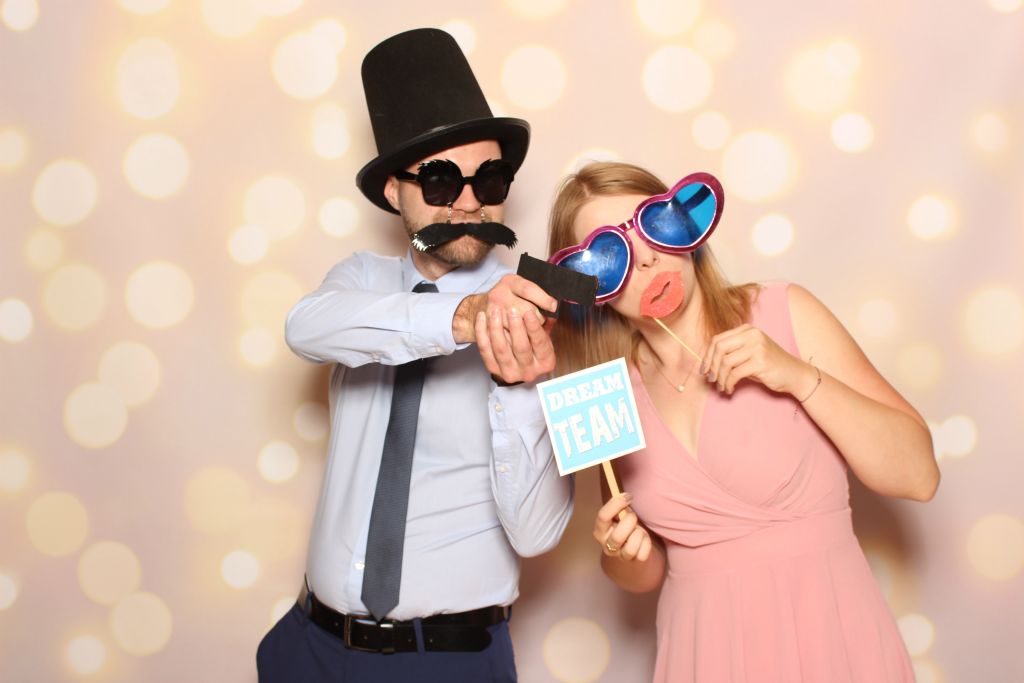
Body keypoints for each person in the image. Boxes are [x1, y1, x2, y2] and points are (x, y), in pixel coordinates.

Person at [256, 28, 574, 683]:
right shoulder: (361, 280)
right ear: (392, 192)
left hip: (449, 661)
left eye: (489, 178)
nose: (469, 202)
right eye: (439, 180)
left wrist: (518, 390)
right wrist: (461, 317)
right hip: (309, 648)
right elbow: (305, 327)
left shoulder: (543, 312)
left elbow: (539, 534)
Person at [546, 161, 939, 682]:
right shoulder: (610, 393)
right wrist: (620, 551)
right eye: (611, 254)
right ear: (587, 283)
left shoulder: (783, 311)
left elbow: (919, 477)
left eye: (654, 225)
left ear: (685, 224)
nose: (647, 260)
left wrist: (796, 376)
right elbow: (643, 575)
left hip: (828, 636)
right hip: (703, 654)